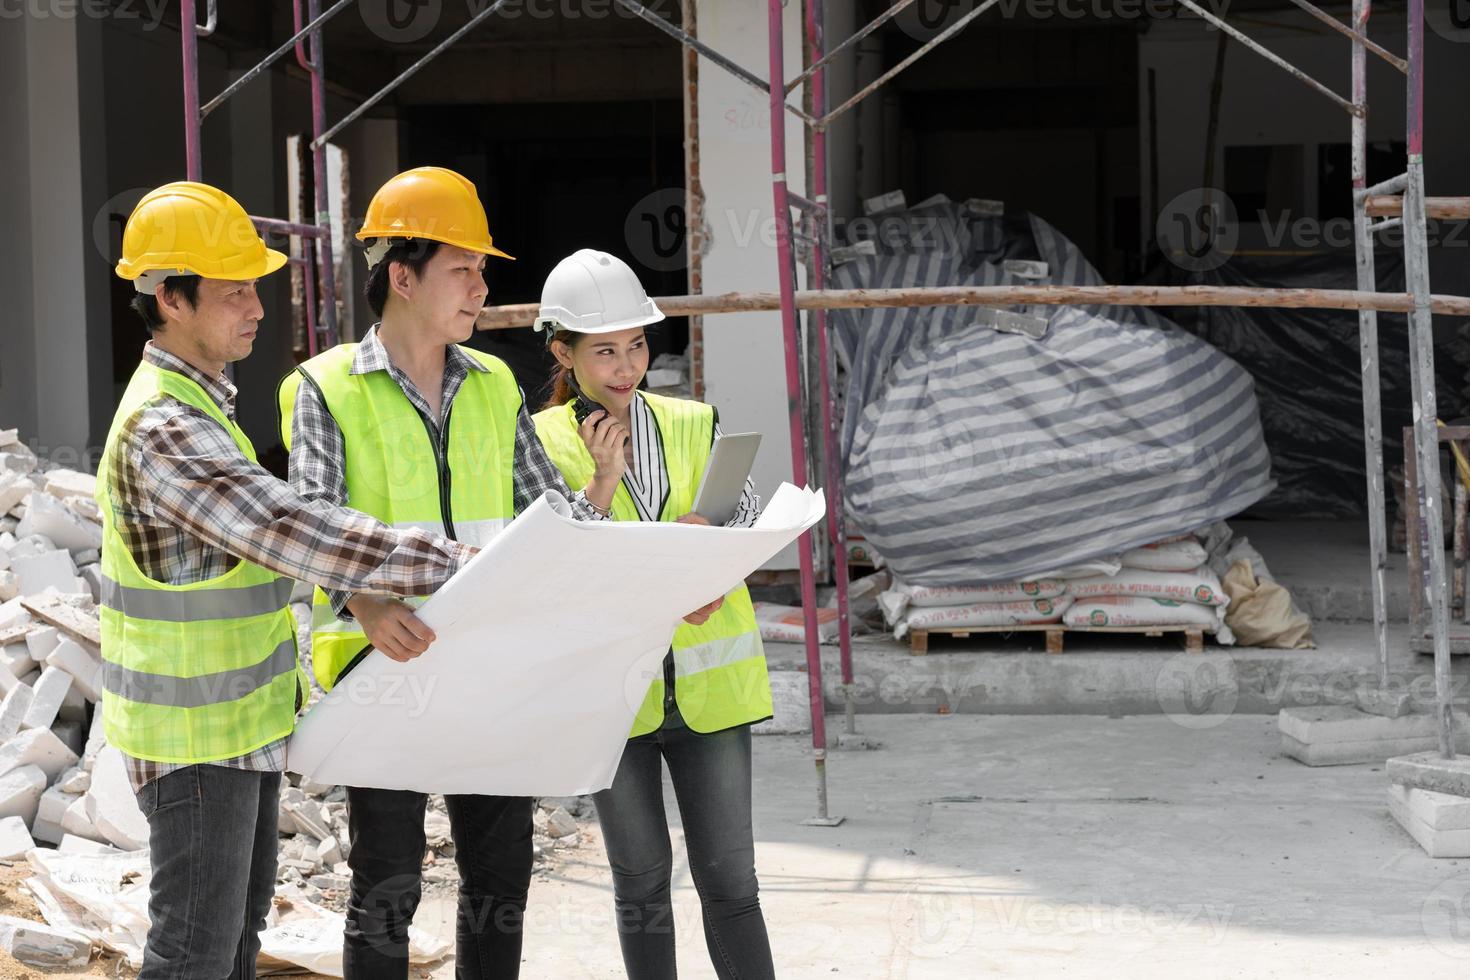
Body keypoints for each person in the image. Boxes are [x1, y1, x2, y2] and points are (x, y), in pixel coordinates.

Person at [277, 168, 692, 979]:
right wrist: (362, 599)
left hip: (493, 664)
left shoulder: (495, 383)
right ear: (403, 276)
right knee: (387, 883)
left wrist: (604, 500)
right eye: (462, 268)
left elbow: (548, 520)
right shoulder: (326, 387)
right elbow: (311, 523)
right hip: (384, 665)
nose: (482, 285)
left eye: (482, 269)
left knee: (499, 878)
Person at [101, 181, 477, 980]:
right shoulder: (165, 428)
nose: (258, 308)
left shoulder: (203, 408)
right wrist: (457, 563)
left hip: (234, 735)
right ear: (170, 297)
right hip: (194, 745)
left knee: (233, 943)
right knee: (193, 954)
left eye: (257, 288)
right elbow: (294, 530)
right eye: (235, 291)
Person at [530, 249, 776, 980]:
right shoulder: (539, 442)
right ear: (563, 353)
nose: (625, 365)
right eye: (603, 350)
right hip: (614, 702)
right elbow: (546, 561)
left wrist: (717, 545)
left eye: (636, 344)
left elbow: (747, 510)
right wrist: (603, 481)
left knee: (732, 884)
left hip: (712, 691)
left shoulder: (694, 420)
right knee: (640, 886)